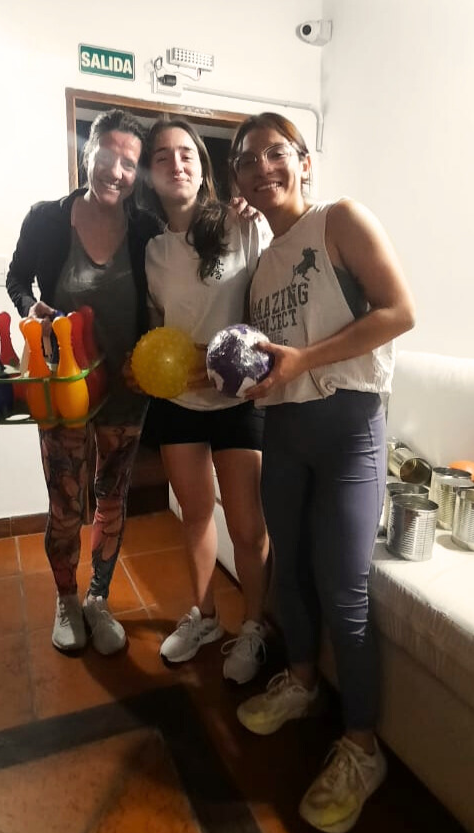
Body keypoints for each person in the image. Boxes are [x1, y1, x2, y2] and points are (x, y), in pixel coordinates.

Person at [229, 112, 415, 833]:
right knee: (290, 572)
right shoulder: (262, 267)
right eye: (247, 160)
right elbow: (270, 360)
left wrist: (304, 361)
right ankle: (303, 682)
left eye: (275, 153)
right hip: (284, 430)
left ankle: (363, 748)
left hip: (348, 430)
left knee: (344, 587)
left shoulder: (341, 219)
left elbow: (400, 311)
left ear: (304, 161)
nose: (262, 168)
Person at [6, 108, 162, 654]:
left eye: (129, 163)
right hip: (63, 390)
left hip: (126, 389)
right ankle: (66, 599)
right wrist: (30, 307)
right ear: (87, 153)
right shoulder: (47, 219)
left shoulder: (147, 229)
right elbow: (16, 278)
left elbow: (180, 274)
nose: (116, 171)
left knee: (111, 500)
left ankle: (98, 598)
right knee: (66, 503)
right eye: (107, 156)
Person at [139, 117, 271, 684]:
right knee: (194, 515)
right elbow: (158, 324)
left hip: (238, 401)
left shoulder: (243, 226)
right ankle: (206, 617)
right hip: (179, 403)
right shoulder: (151, 250)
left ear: (202, 166)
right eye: (163, 156)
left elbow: (269, 305)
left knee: (247, 526)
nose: (177, 164)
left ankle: (254, 626)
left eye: (186, 154)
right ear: (150, 173)